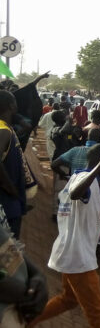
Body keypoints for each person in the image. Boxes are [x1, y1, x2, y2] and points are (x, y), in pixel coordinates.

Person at [27, 143, 100, 328]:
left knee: (68, 299)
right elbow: (76, 193)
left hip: (71, 251)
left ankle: (26, 322)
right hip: (78, 257)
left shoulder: (77, 176)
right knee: (99, 312)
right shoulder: (83, 178)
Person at [0, 91, 29, 238]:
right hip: (7, 204)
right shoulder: (3, 131)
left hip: (10, 202)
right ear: (11, 105)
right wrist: (10, 188)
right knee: (10, 254)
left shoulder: (7, 127)